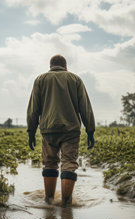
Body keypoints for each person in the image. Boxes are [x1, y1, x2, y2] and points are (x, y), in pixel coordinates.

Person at [27, 54, 95, 206]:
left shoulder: (40, 79)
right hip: (71, 130)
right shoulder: (75, 79)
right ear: (66, 66)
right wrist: (90, 130)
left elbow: (33, 108)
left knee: (49, 163)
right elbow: (85, 107)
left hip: (48, 129)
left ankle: (49, 200)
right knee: (69, 163)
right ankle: (66, 202)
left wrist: (31, 131)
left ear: (50, 66)